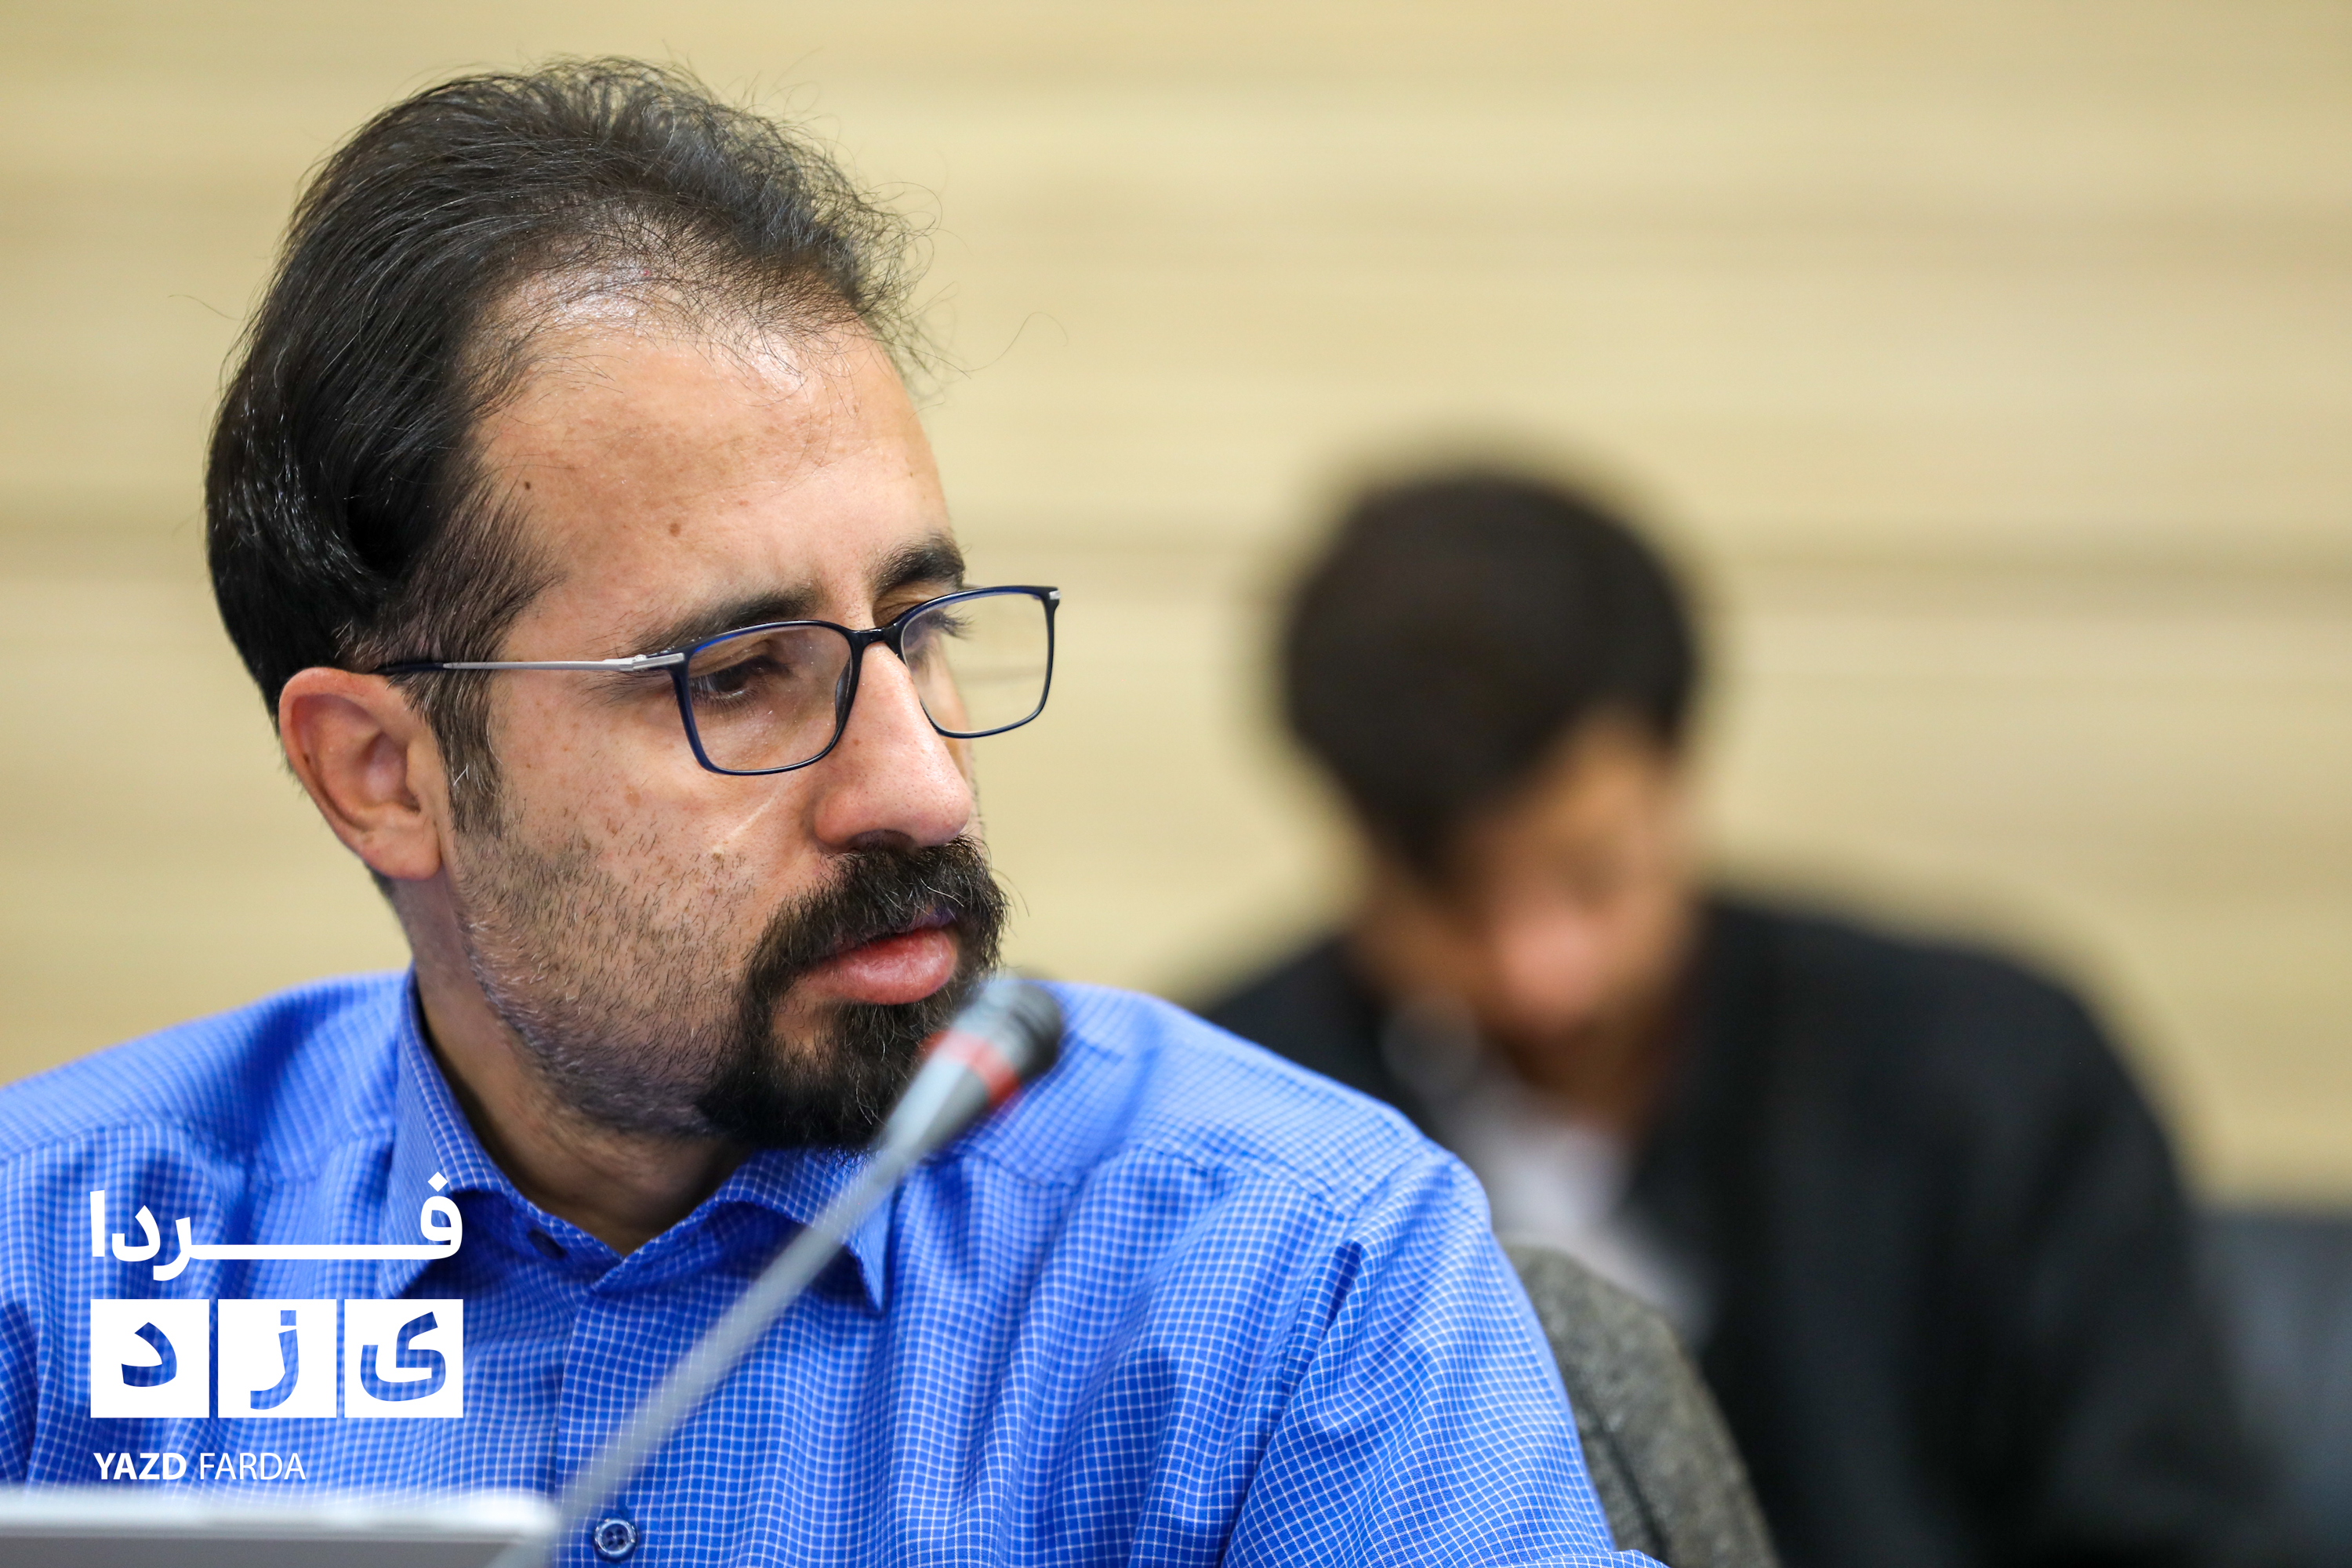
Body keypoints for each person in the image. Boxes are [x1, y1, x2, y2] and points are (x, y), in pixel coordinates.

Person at [0, 66, 1642, 1566]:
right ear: (384, 772)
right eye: (739, 678)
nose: (924, 786)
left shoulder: (1288, 1269)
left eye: (918, 631)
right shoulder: (56, 1275)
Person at [1203, 470, 2281, 1568]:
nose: (1543, 974)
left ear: (1682, 775)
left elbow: (2173, 1531)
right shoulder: (1229, 1136)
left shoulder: (1989, 1077)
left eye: (1593, 876)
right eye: (1456, 904)